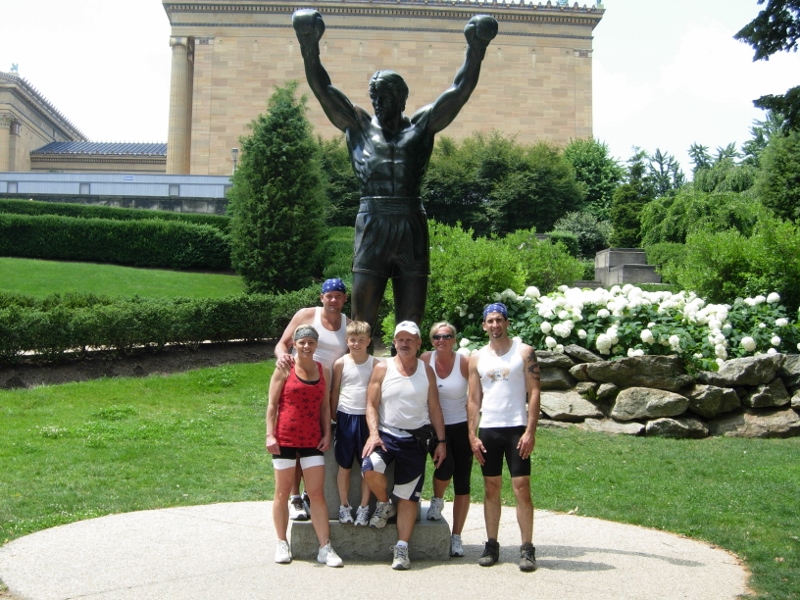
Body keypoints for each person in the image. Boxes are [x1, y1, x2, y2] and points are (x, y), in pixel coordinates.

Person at [292, 9, 497, 339]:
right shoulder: (358, 127)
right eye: (373, 96)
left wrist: (477, 49)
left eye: (384, 96)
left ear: (401, 98)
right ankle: (359, 385)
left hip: (410, 224)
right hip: (372, 223)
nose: (376, 102)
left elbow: (459, 91)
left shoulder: (420, 128)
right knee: (362, 320)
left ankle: (409, 384)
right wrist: (308, 43)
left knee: (411, 321)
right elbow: (322, 87)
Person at [361, 321, 447, 570]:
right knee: (370, 468)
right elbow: (371, 404)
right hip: (386, 436)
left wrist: (441, 442)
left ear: (419, 343)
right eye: (400, 339)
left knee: (408, 498)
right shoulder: (382, 368)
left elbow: (435, 408)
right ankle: (384, 504)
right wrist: (373, 434)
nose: (405, 343)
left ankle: (401, 547)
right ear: (395, 342)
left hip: (415, 440)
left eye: (410, 339)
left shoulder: (426, 371)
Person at [467, 303, 541, 572]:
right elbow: (474, 399)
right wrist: (472, 435)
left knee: (522, 488)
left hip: (516, 429)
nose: (495, 325)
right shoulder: (477, 358)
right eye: (490, 321)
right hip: (490, 429)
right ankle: (492, 544)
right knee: (491, 488)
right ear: (484, 325)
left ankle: (527, 548)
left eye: (500, 320)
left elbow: (534, 393)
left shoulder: (524, 353)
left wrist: (531, 430)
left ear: (507, 323)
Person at [266, 324, 343, 567]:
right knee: (282, 492)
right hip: (285, 438)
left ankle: (325, 547)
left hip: (312, 439)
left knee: (317, 494)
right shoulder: (285, 368)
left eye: (311, 342)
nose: (307, 347)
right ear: (295, 345)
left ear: (316, 344)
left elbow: (324, 407)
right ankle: (281, 542)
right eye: (302, 343)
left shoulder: (323, 370)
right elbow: (272, 405)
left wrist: (327, 433)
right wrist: (270, 435)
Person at [274, 277, 350, 521]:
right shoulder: (307, 315)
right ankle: (295, 497)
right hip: (298, 383)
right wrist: (282, 358)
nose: (333, 300)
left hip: (325, 390)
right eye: (329, 295)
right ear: (322, 297)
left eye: (338, 296)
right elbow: (282, 344)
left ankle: (309, 494)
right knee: (295, 445)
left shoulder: (348, 324)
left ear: (344, 299)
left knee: (314, 443)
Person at [419, 321, 472, 558]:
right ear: (432, 341)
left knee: (463, 482)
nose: (442, 340)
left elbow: (476, 396)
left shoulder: (464, 362)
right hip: (430, 426)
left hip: (460, 424)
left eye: (447, 336)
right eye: (438, 337)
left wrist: (473, 429)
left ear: (454, 339)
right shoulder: (425, 359)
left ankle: (457, 536)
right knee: (445, 465)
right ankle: (437, 499)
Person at [329, 320, 375, 526]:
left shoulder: (375, 364)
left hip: (367, 419)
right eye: (353, 340)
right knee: (344, 465)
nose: (357, 344)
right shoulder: (341, 363)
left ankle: (364, 507)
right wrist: (334, 414)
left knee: (367, 466)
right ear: (347, 341)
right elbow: (335, 390)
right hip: (346, 416)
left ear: (368, 341)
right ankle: (344, 506)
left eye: (361, 340)